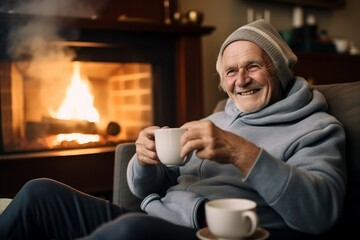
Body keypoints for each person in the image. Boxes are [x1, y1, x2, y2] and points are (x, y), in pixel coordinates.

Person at [0, 19, 346, 240]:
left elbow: (319, 213)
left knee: (129, 231)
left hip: (210, 233)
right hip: (159, 216)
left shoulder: (316, 128)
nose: (240, 80)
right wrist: (146, 161)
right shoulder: (215, 122)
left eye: (253, 66)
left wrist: (242, 152)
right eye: (230, 72)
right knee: (38, 193)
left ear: (280, 71)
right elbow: (148, 186)